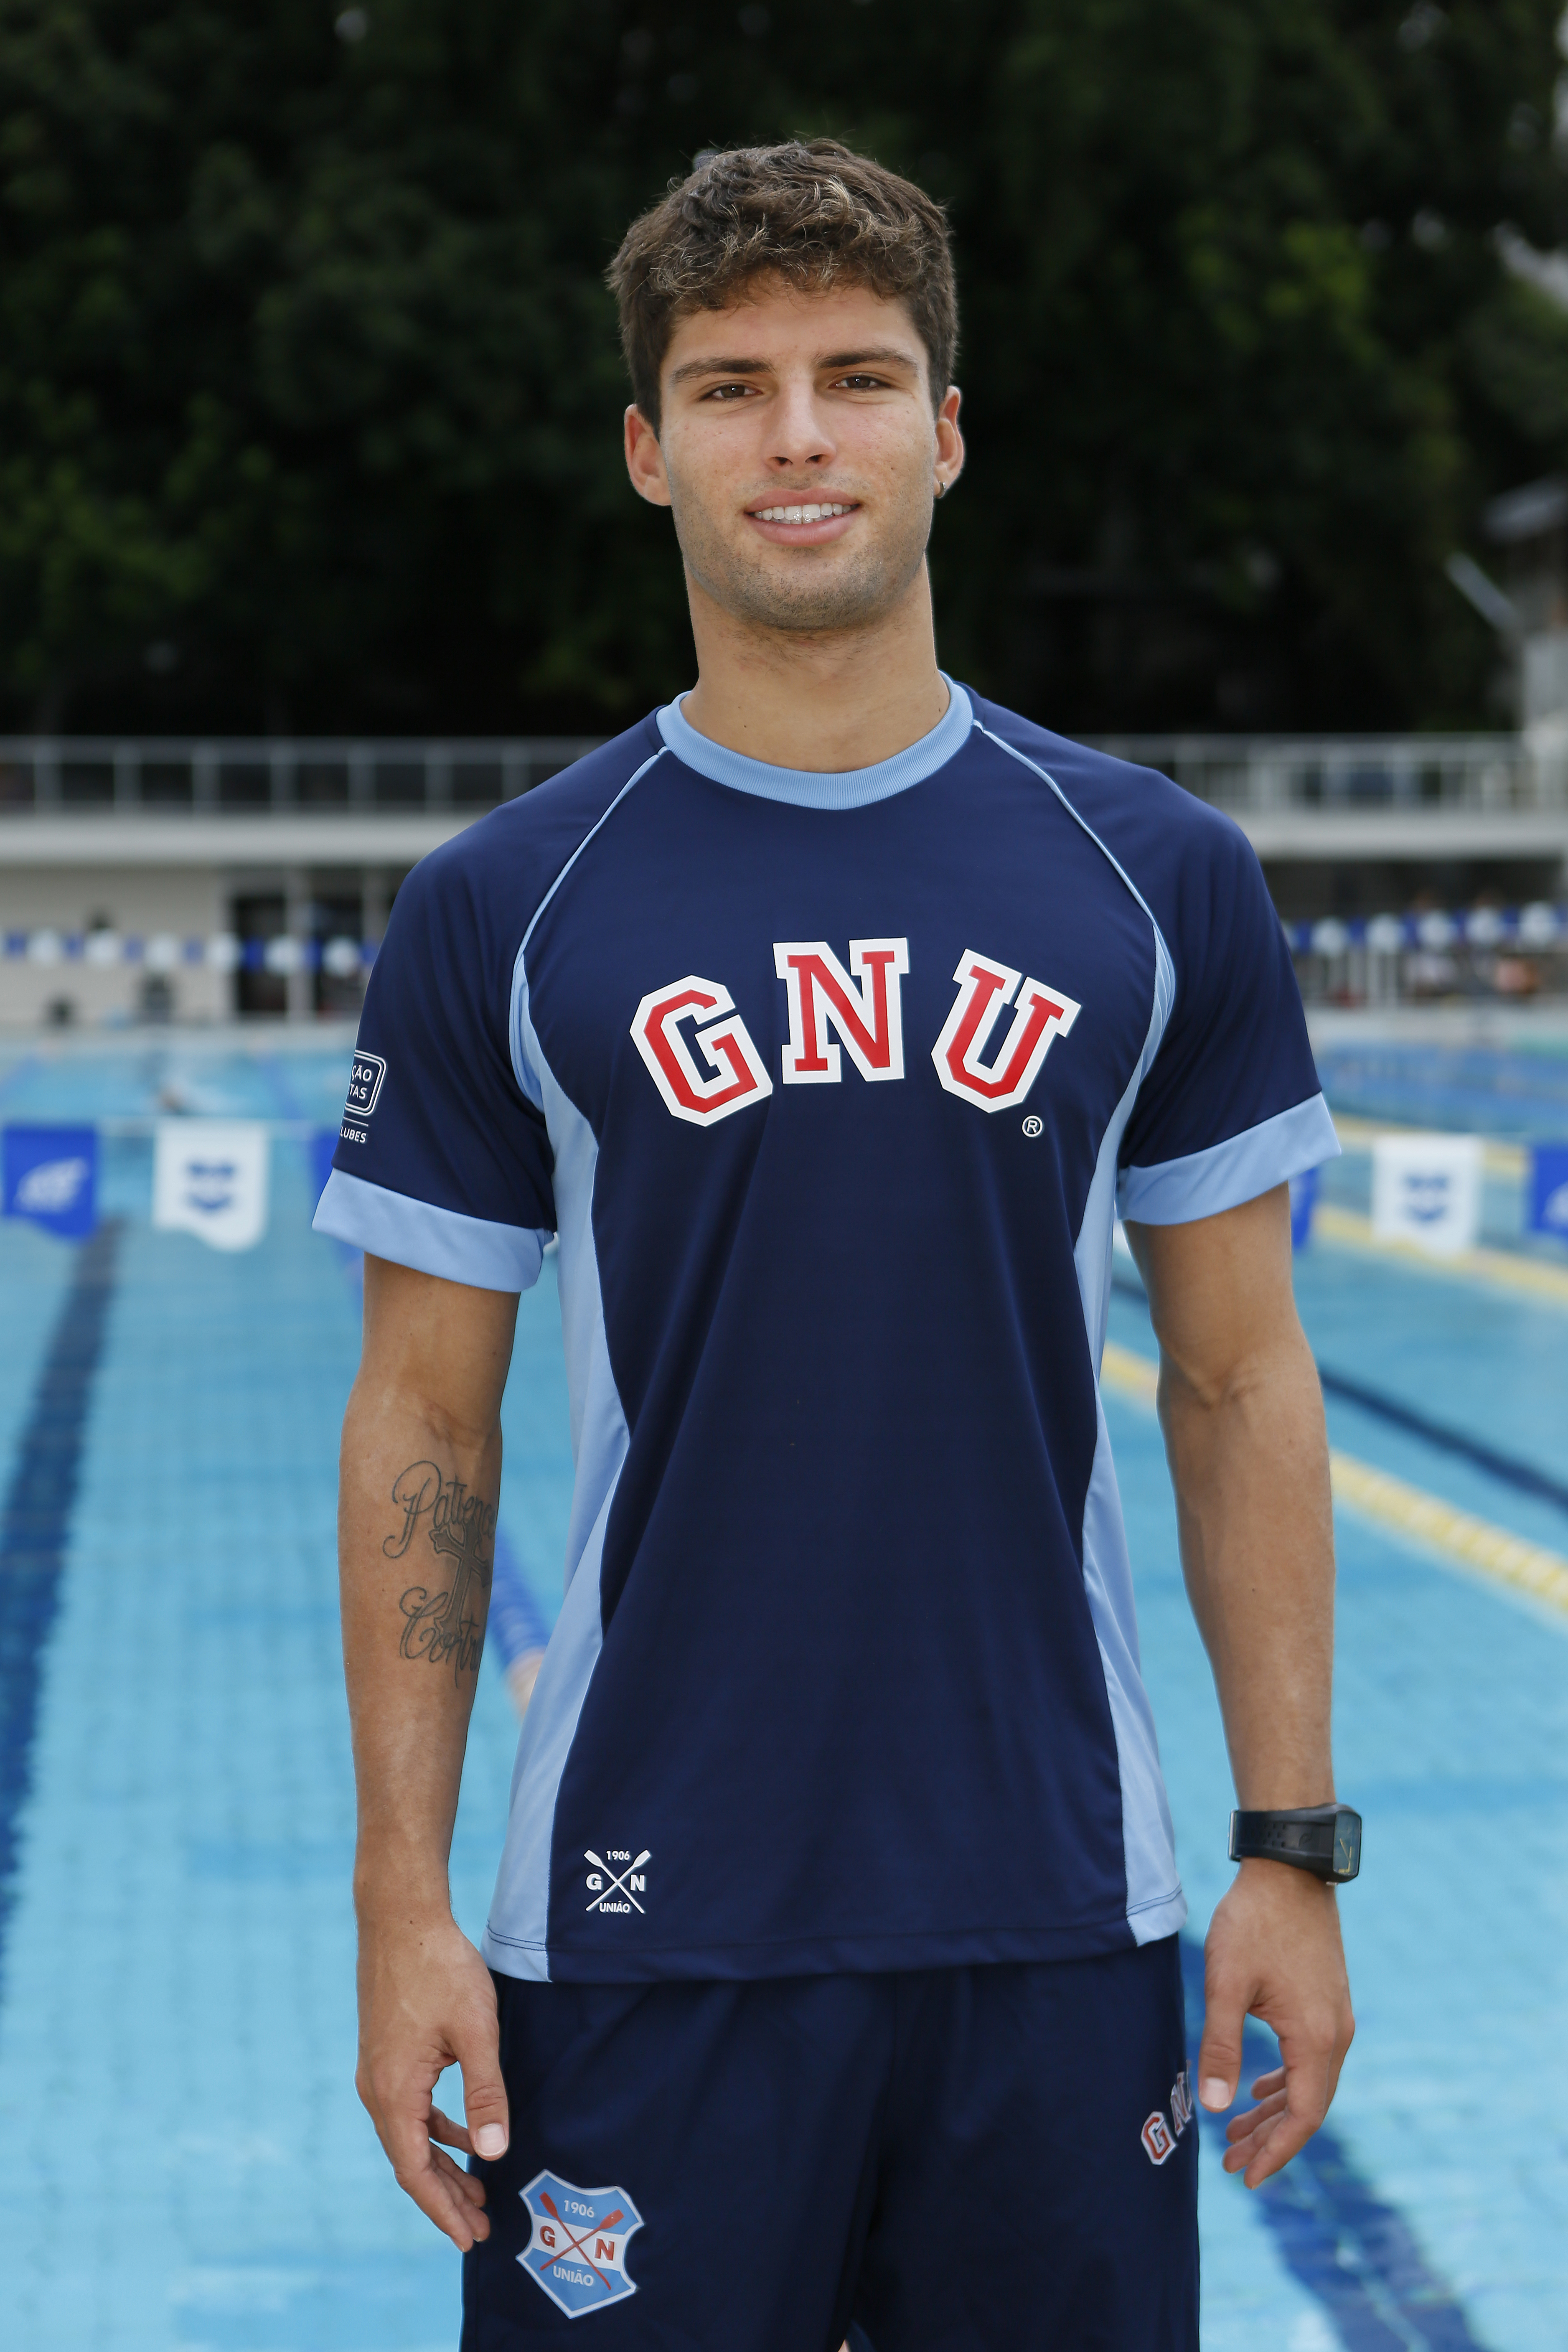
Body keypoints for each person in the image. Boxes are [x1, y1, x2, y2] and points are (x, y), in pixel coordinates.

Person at [317, 139, 1355, 2352]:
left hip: (1059, 1906)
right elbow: (423, 1414)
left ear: (947, 433)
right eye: (733, 385)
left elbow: (1246, 1381)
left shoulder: (1152, 878)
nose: (800, 436)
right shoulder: (511, 903)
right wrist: (402, 1897)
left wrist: (1293, 1846)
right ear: (647, 447)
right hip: (639, 1923)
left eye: (860, 377)